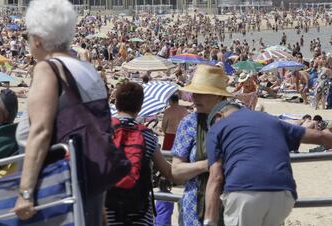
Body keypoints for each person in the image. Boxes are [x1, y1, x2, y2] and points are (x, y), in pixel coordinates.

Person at [13, 0, 108, 225]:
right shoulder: (88, 70)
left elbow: (41, 131)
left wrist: (25, 192)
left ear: (37, 39)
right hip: (89, 185)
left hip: (55, 188)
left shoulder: (48, 69)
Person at [204, 101, 332, 226]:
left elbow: (216, 177)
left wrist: (209, 221)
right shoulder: (269, 119)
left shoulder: (218, 127)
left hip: (244, 191)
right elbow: (319, 136)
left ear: (218, 116)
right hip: (283, 194)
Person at [105, 82, 174, 225]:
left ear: (116, 103)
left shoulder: (104, 131)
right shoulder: (147, 136)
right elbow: (168, 171)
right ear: (140, 106)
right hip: (140, 213)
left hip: (108, 212)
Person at [171, 65, 232, 226]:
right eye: (194, 92)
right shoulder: (189, 123)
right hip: (194, 212)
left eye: (202, 93)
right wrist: (208, 165)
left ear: (218, 96)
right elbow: (176, 171)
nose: (194, 97)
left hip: (232, 209)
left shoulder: (237, 122)